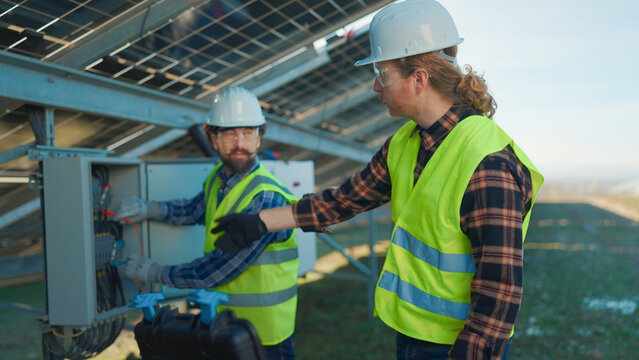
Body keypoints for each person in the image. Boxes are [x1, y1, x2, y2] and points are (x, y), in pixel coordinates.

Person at [209, 1, 544, 359]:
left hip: (456, 346)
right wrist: (260, 223)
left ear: (419, 78)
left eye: (382, 75)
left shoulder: (487, 160)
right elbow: (344, 199)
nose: (374, 86)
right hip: (412, 332)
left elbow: (501, 285)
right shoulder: (406, 143)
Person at [116, 86, 299, 360]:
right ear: (212, 138)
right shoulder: (218, 179)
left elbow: (217, 269)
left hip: (264, 335)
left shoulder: (267, 197)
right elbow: (193, 209)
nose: (240, 143)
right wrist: (151, 209)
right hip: (224, 325)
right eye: (229, 134)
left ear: (259, 138)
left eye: (248, 133)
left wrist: (157, 273)